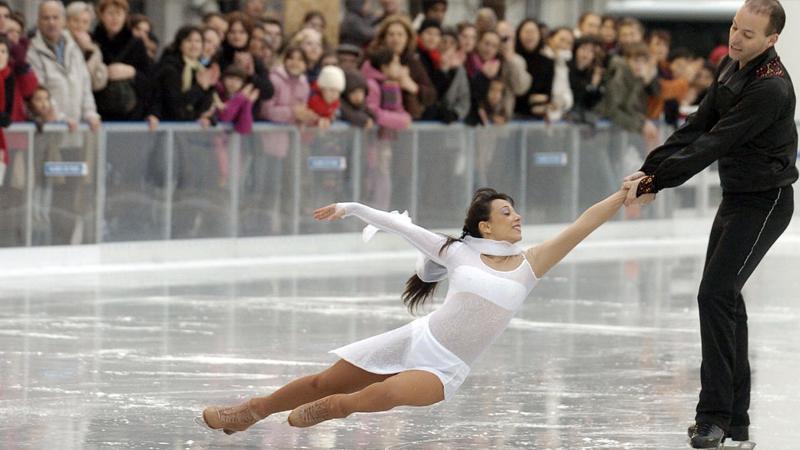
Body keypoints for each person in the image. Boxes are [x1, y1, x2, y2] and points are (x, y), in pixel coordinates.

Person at [199, 183, 630, 433]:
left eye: (516, 212)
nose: (517, 218)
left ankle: (338, 408)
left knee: (384, 394)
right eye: (506, 212)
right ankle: (251, 410)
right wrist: (349, 208)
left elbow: (584, 223)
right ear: (486, 226)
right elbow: (400, 225)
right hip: (415, 339)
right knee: (323, 380)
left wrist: (624, 194)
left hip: (445, 367)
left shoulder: (531, 265)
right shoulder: (456, 252)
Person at [622, 1, 796, 447]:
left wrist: (659, 181)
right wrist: (651, 168)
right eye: (735, 27)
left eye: (749, 34)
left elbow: (717, 142)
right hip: (736, 198)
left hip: (765, 202)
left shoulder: (770, 89)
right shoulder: (729, 65)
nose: (737, 38)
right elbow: (699, 125)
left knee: (715, 294)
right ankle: (735, 420)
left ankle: (714, 416)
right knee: (724, 299)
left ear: (772, 40)